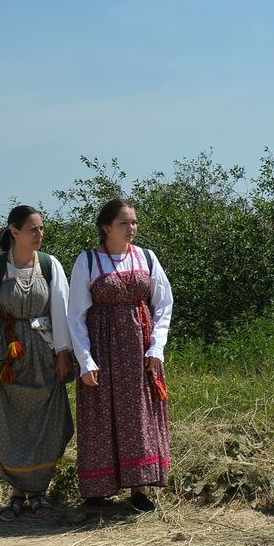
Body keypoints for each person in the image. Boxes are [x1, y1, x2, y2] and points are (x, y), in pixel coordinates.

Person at [0, 205, 75, 521]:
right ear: (14, 232)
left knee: (45, 424)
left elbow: (61, 312)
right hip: (8, 358)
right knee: (9, 425)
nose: (39, 234)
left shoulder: (50, 266)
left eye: (41, 229)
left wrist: (64, 353)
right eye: (33, 229)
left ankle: (39, 493)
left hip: (43, 355)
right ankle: (16, 493)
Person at [68, 198, 173, 512]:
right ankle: (97, 491)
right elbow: (75, 316)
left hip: (139, 351)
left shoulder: (147, 258)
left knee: (138, 416)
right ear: (106, 227)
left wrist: (156, 347)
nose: (132, 229)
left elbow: (163, 305)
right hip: (102, 350)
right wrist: (86, 360)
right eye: (124, 223)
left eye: (134, 222)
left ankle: (139, 488)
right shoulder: (87, 261)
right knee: (101, 416)